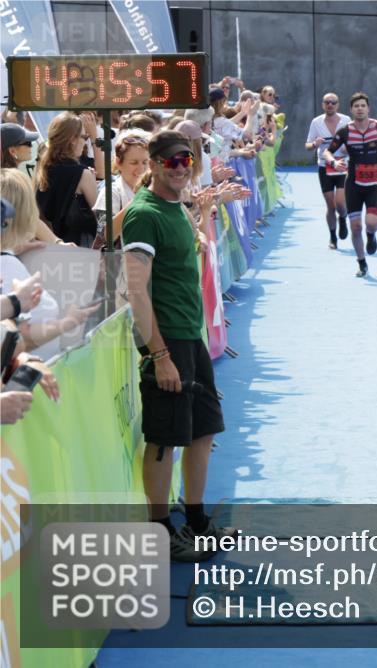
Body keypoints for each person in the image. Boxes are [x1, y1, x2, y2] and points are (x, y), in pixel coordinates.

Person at [122, 130, 229, 562]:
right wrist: (159, 355)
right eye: (171, 160)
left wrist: (201, 213)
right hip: (169, 343)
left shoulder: (175, 208)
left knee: (202, 432)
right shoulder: (144, 214)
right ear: (152, 164)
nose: (181, 166)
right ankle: (161, 533)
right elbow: (136, 290)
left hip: (191, 335)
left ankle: (197, 520)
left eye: (187, 158)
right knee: (165, 439)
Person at [1, 169, 97, 361]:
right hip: (28, 382)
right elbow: (19, 339)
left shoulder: (8, 260)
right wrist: (68, 322)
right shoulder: (8, 265)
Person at [323, 92, 377, 277]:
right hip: (353, 185)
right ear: (351, 109)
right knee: (356, 227)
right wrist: (333, 162)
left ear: (368, 108)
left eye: (363, 105)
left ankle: (371, 236)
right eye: (356, 106)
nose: (360, 108)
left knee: (371, 223)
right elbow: (327, 152)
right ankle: (362, 263)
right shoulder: (345, 131)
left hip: (374, 183)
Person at [34, 113, 99, 246]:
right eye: (84, 136)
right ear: (72, 139)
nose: (85, 141)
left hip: (47, 245)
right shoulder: (82, 174)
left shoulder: (41, 169)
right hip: (79, 247)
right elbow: (101, 218)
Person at [306, 93, 350, 249]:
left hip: (343, 165)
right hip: (325, 166)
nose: (330, 105)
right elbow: (308, 145)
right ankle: (333, 237)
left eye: (333, 102)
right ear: (323, 105)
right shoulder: (316, 122)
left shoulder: (346, 121)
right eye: (327, 102)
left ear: (338, 105)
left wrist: (347, 148)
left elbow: (354, 141)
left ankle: (343, 218)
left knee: (340, 204)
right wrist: (315, 144)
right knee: (330, 206)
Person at [93, 130, 150, 248]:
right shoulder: (111, 191)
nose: (141, 169)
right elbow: (105, 235)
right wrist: (138, 200)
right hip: (119, 264)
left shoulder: (154, 189)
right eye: (134, 163)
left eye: (145, 162)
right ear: (118, 162)